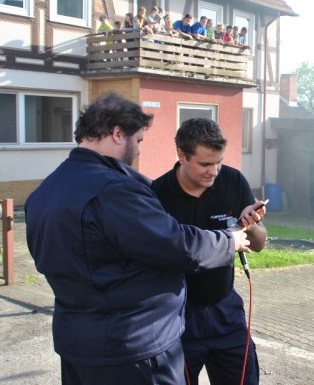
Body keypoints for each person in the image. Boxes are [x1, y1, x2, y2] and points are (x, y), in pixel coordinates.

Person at [25, 93, 250, 385]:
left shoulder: (45, 191)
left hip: (77, 345)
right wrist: (229, 241)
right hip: (132, 350)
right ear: (118, 134)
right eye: (139, 141)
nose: (139, 151)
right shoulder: (114, 189)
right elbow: (176, 245)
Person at [152, 118, 267, 385]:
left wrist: (252, 224)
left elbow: (259, 244)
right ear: (181, 155)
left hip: (225, 310)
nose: (213, 171)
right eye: (204, 164)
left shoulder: (233, 181)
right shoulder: (157, 194)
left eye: (218, 162)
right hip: (177, 317)